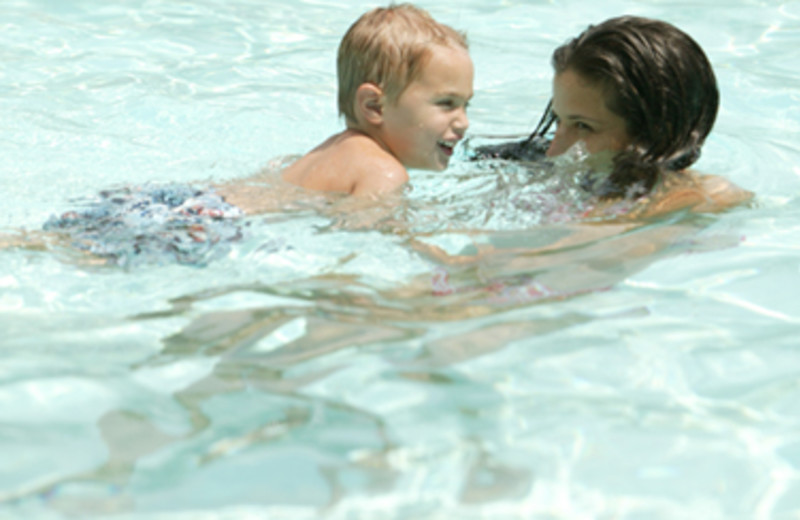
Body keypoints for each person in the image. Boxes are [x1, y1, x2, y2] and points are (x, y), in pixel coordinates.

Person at [471, 15, 752, 218]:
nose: (554, 149)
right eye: (558, 121)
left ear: (653, 133)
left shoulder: (704, 198)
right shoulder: (516, 165)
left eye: (583, 126)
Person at [280, 3, 473, 197]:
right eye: (447, 103)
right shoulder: (383, 173)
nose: (464, 123)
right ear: (375, 106)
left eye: (466, 105)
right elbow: (364, 225)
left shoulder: (327, 153)